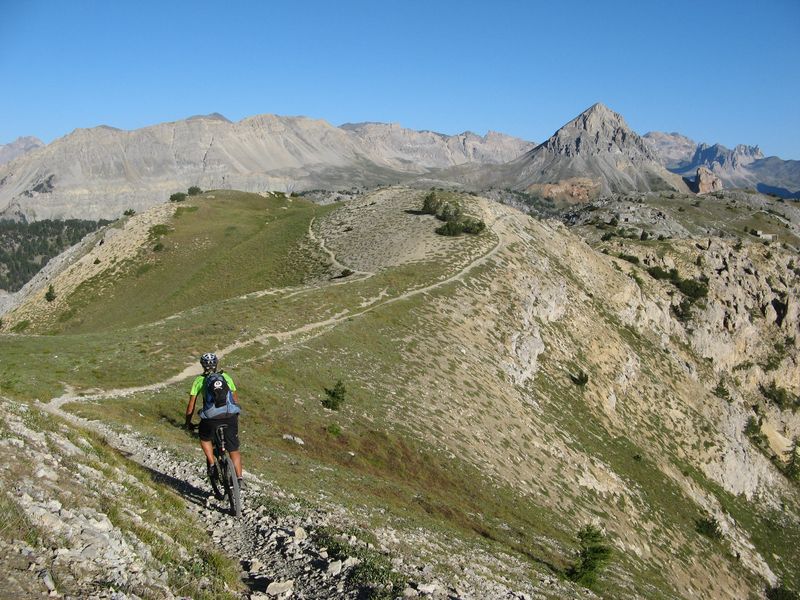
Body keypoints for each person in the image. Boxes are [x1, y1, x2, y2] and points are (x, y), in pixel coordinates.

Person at [184, 352, 243, 488]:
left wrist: (188, 423)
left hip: (211, 418)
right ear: (216, 364)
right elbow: (234, 399)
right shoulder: (226, 377)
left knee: (204, 438)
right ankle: (239, 478)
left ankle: (211, 463)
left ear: (202, 365)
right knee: (233, 449)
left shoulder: (199, 381)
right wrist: (235, 414)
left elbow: (191, 404)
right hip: (230, 415)